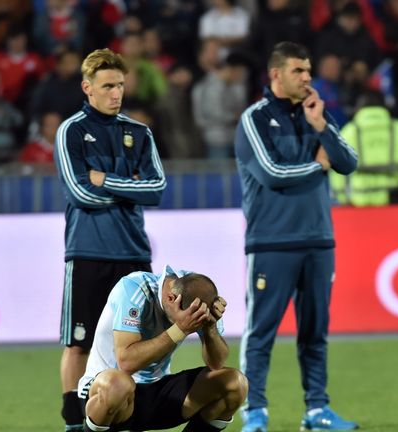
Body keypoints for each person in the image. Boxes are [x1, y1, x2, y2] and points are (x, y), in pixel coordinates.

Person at [234, 41, 359, 432]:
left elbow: (348, 163)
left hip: (319, 240)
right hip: (271, 242)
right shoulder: (253, 119)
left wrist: (322, 127)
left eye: (309, 71)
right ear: (276, 75)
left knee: (315, 332)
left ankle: (317, 409)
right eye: (298, 71)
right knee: (261, 332)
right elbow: (272, 173)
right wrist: (317, 166)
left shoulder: (314, 115)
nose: (308, 78)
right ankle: (255, 411)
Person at [54, 48, 167, 432]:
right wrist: (129, 186)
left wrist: (104, 179)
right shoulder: (71, 131)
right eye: (107, 86)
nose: (116, 93)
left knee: (137, 344)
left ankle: (129, 415)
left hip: (133, 253)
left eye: (119, 85)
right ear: (88, 87)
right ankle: (74, 422)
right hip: (87, 251)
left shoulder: (140, 132)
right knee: (78, 343)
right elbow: (79, 192)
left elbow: (156, 189)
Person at [78, 266, 248, 432]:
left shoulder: (197, 293)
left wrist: (210, 328)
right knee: (118, 385)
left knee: (234, 383)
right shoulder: (133, 288)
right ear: (170, 298)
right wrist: (180, 329)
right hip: (109, 394)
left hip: (156, 390)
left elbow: (217, 363)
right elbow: (126, 363)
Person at [328, 89, 398, 206]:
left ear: (358, 108)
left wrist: (342, 198)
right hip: (394, 202)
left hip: (359, 203)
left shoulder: (350, 131)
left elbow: (338, 169)